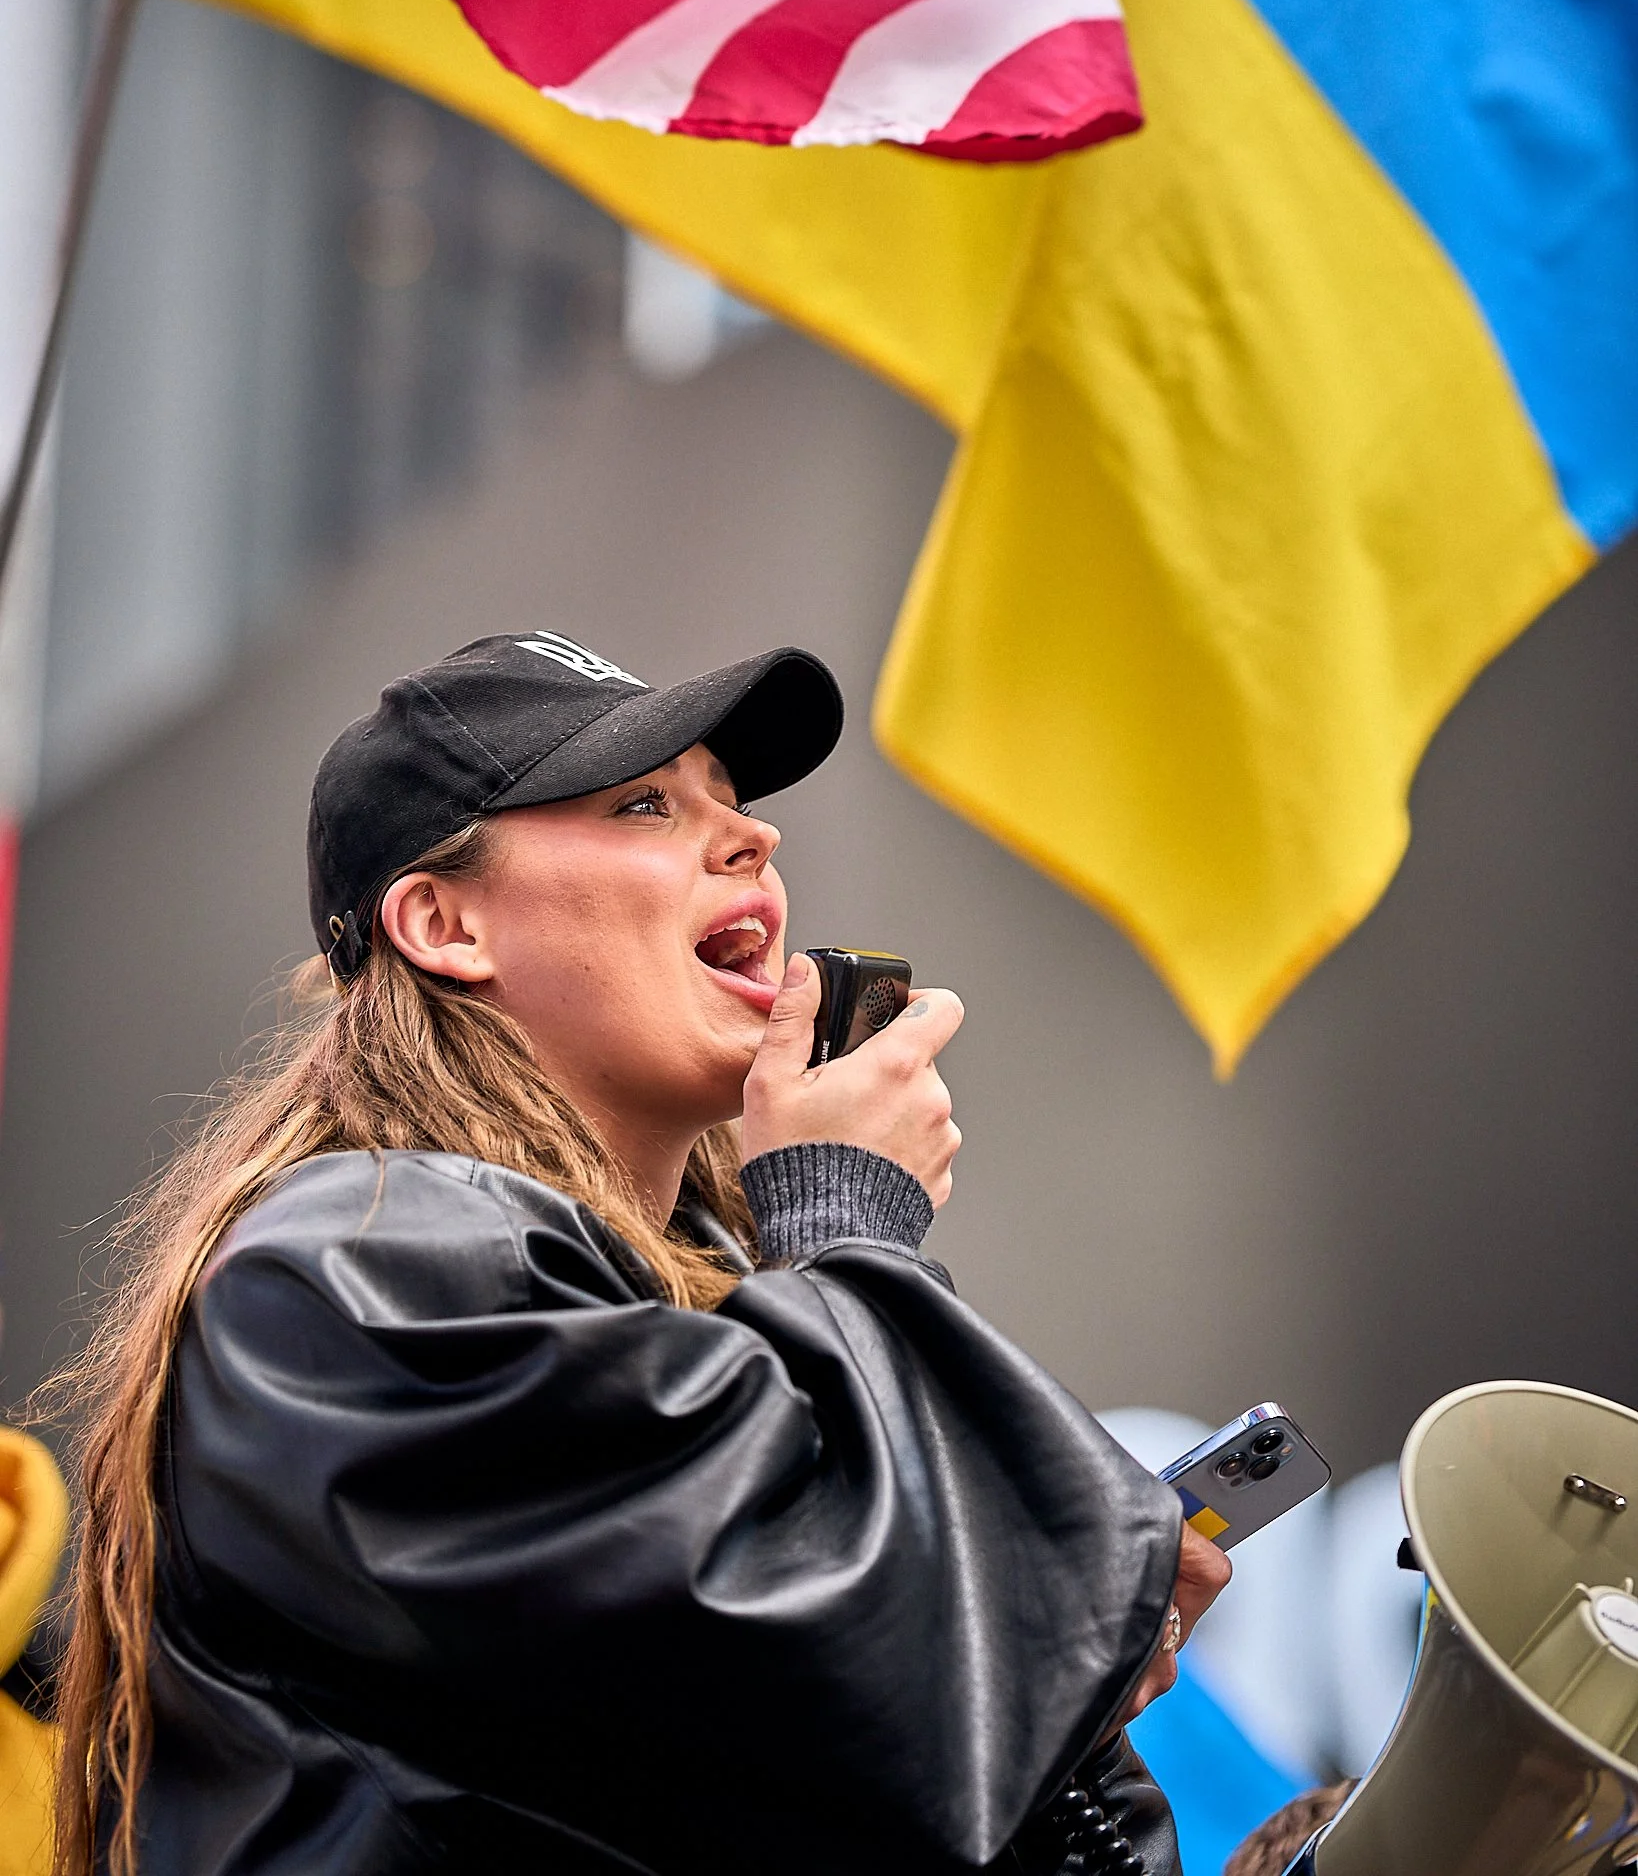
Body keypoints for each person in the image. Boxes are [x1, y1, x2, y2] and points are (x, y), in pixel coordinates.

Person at [53, 630, 1229, 1876]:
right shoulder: (351, 1270)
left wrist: (1064, 1669)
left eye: (732, 798)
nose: (755, 834)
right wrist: (845, 1215)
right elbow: (818, 1675)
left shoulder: (717, 1288)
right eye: (644, 803)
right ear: (444, 922)